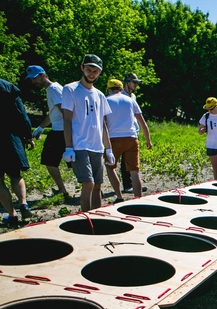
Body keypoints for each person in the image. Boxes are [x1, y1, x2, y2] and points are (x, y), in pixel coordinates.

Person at [61, 54, 114, 212]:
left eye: (95, 71)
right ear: (82, 68)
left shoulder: (100, 95)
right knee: (88, 183)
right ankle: (86, 218)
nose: (91, 73)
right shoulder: (70, 89)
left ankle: (96, 218)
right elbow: (67, 120)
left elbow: (103, 123)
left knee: (98, 185)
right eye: (89, 69)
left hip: (97, 146)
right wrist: (69, 147)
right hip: (80, 144)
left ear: (99, 73)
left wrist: (108, 148)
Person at [25, 65, 70, 199]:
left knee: (50, 161)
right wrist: (41, 127)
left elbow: (64, 110)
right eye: (31, 79)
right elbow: (53, 113)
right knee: (67, 162)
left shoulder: (54, 89)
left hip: (60, 131)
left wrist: (70, 129)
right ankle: (65, 190)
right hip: (58, 129)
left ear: (43, 75)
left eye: (35, 78)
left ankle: (63, 191)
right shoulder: (51, 89)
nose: (33, 81)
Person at [105, 78, 152, 200]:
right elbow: (142, 123)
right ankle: (138, 199)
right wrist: (148, 140)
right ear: (121, 89)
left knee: (110, 168)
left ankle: (119, 196)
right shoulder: (130, 100)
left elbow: (103, 123)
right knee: (134, 172)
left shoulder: (105, 100)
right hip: (131, 138)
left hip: (113, 139)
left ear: (109, 89)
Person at [0, 78, 34, 226]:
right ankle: (23, 204)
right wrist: (27, 135)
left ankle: (12, 215)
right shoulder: (8, 87)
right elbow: (21, 114)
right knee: (15, 175)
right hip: (10, 137)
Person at [120, 73, 142, 193]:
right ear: (128, 82)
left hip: (133, 130)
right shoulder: (121, 95)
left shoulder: (133, 97)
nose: (136, 85)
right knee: (124, 160)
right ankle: (127, 185)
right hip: (123, 131)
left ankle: (133, 184)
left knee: (132, 160)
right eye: (134, 82)